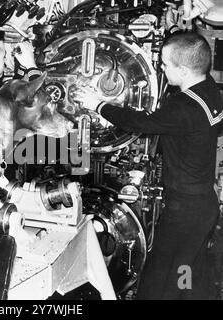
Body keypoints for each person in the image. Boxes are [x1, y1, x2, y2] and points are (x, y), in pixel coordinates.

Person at [74, 32, 223, 299]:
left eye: (166, 65)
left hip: (184, 211)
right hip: (203, 204)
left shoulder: (183, 107)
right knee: (189, 266)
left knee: (159, 278)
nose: (163, 70)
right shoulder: (209, 90)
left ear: (185, 70)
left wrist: (98, 105)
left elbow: (141, 123)